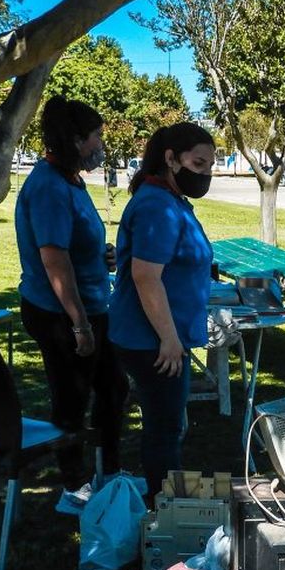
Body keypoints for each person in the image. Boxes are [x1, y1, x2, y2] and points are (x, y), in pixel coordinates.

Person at [15, 96, 129, 516]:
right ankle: (74, 488)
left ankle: (108, 472)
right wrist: (80, 325)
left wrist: (101, 256)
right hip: (60, 313)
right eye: (97, 136)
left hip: (90, 304)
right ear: (76, 139)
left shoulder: (72, 181)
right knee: (72, 396)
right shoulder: (47, 185)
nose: (102, 144)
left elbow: (75, 245)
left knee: (114, 387)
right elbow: (54, 258)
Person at [108, 122, 217, 500]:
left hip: (160, 335)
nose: (204, 174)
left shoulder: (171, 201)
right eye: (198, 164)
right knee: (165, 428)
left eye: (209, 167)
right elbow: (145, 277)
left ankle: (165, 505)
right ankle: (164, 513)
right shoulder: (156, 204)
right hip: (151, 339)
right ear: (171, 159)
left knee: (167, 424)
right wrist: (169, 339)